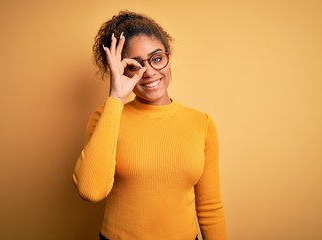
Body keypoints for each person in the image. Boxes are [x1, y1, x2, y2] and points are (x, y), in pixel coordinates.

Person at [73, 10, 226, 240]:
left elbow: (210, 207)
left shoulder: (201, 124)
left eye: (156, 58)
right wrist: (116, 98)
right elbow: (90, 190)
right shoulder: (106, 117)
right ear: (120, 70)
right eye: (134, 65)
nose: (149, 72)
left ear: (168, 57)